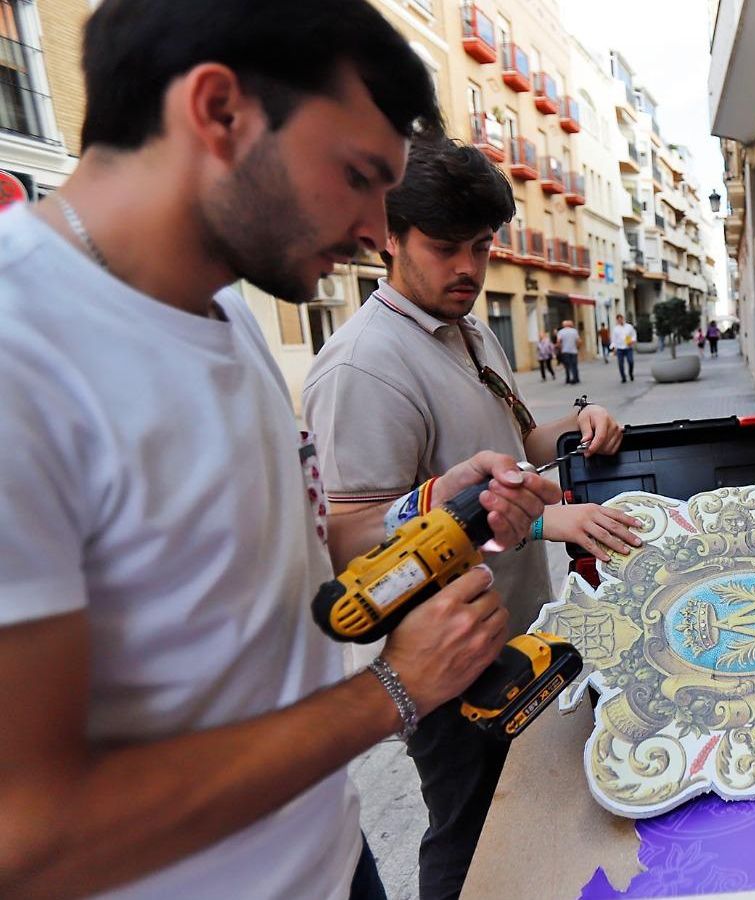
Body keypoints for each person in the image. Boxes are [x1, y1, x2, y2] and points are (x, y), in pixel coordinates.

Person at [0, 2, 558, 896]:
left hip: (331, 859)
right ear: (219, 112)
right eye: (357, 175)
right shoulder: (21, 356)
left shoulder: (222, 311)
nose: (375, 233)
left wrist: (440, 506)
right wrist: (393, 691)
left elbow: (310, 558)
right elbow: (29, 834)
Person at [302, 137, 636, 899]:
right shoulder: (364, 366)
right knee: (469, 837)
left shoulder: (467, 328)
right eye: (445, 246)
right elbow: (348, 541)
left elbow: (519, 449)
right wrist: (541, 523)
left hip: (515, 631)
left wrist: (578, 428)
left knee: (522, 822)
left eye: (481, 246)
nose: (469, 268)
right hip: (442, 661)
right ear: (390, 238)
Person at [612, 312, 638, 382]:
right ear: (617, 320)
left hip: (628, 347)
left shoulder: (629, 327)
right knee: (620, 364)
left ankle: (630, 373)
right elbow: (614, 340)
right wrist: (613, 348)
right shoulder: (615, 329)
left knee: (631, 361)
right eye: (618, 320)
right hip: (620, 348)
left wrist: (632, 341)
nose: (620, 321)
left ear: (623, 319)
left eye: (621, 319)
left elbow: (634, 335)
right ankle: (623, 377)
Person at [556, 318, 580, 384]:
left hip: (565, 351)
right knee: (574, 365)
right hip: (574, 351)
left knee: (567, 366)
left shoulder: (561, 332)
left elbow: (558, 342)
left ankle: (568, 378)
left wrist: (560, 349)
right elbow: (579, 341)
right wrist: (577, 347)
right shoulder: (574, 331)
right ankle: (576, 378)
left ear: (563, 325)